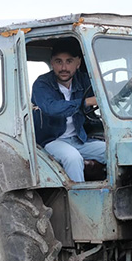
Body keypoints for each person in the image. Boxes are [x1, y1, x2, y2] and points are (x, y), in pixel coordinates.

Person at [31, 40, 106, 182]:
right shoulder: (42, 84)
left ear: (78, 64)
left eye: (69, 61)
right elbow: (53, 109)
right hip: (52, 140)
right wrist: (86, 102)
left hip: (78, 138)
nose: (64, 67)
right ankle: (80, 202)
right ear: (52, 63)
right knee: (73, 158)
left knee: (113, 151)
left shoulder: (83, 80)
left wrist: (127, 88)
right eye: (58, 62)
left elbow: (105, 92)